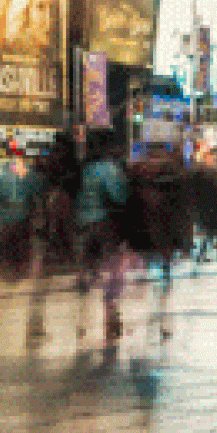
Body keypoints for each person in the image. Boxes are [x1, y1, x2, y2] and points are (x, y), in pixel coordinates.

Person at [76, 127, 130, 344]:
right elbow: (118, 197)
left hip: (82, 224)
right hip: (103, 224)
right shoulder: (109, 169)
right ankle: (111, 311)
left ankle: (82, 317)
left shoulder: (86, 169)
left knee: (88, 270)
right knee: (117, 267)